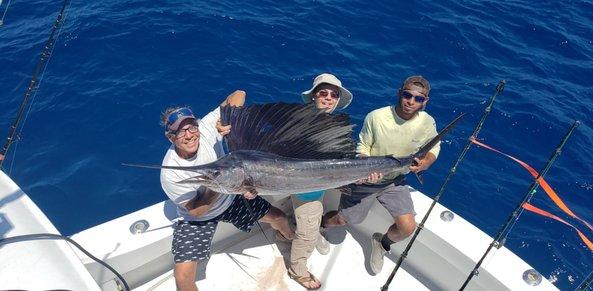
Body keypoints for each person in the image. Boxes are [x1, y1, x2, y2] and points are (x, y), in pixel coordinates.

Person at [159, 90, 294, 291]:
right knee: (183, 278)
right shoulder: (170, 173)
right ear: (171, 137)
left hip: (231, 197)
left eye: (191, 127)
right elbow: (196, 211)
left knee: (279, 217)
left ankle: (289, 238)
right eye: (180, 131)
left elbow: (239, 94)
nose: (189, 135)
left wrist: (228, 120)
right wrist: (222, 184)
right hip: (199, 217)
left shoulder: (205, 129)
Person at [322, 75, 440, 274]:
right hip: (367, 179)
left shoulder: (427, 122)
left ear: (425, 101)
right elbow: (363, 149)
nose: (411, 101)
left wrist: (426, 162)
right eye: (407, 95)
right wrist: (365, 170)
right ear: (399, 93)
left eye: (418, 98)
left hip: (395, 181)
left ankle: (382, 243)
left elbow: (434, 145)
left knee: (407, 228)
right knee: (344, 220)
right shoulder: (376, 117)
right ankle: (322, 226)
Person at [282, 73, 354, 290]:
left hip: (319, 184)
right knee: (307, 235)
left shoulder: (336, 125)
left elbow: (345, 157)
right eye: (323, 93)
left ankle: (296, 227)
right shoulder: (299, 121)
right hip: (305, 188)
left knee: (310, 221)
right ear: (314, 96)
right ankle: (298, 271)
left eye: (334, 95)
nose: (329, 98)